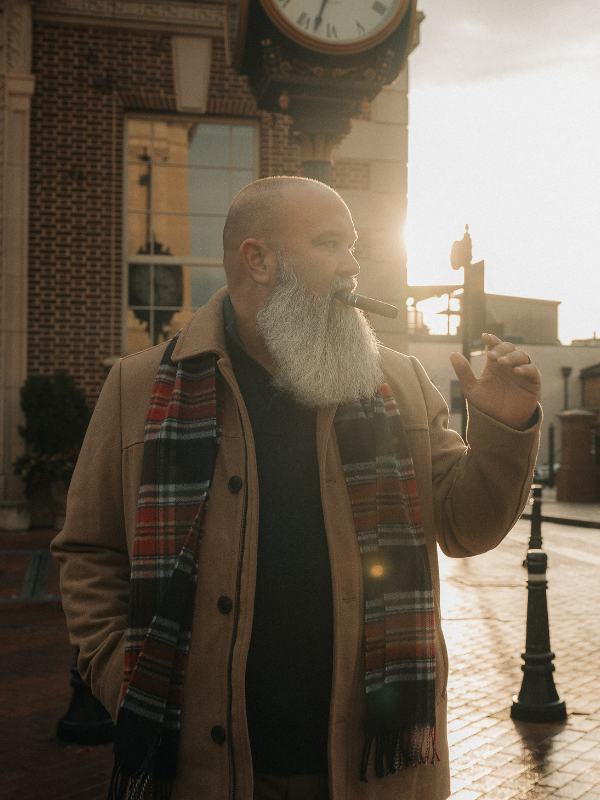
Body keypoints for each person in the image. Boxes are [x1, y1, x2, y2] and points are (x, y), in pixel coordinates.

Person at [52, 176, 542, 800]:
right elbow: (89, 551)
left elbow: (465, 526)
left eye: (354, 245)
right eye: (332, 244)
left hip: (373, 765)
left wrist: (503, 426)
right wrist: (122, 671)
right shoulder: (139, 388)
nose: (353, 265)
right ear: (259, 259)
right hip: (197, 769)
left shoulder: (399, 381)